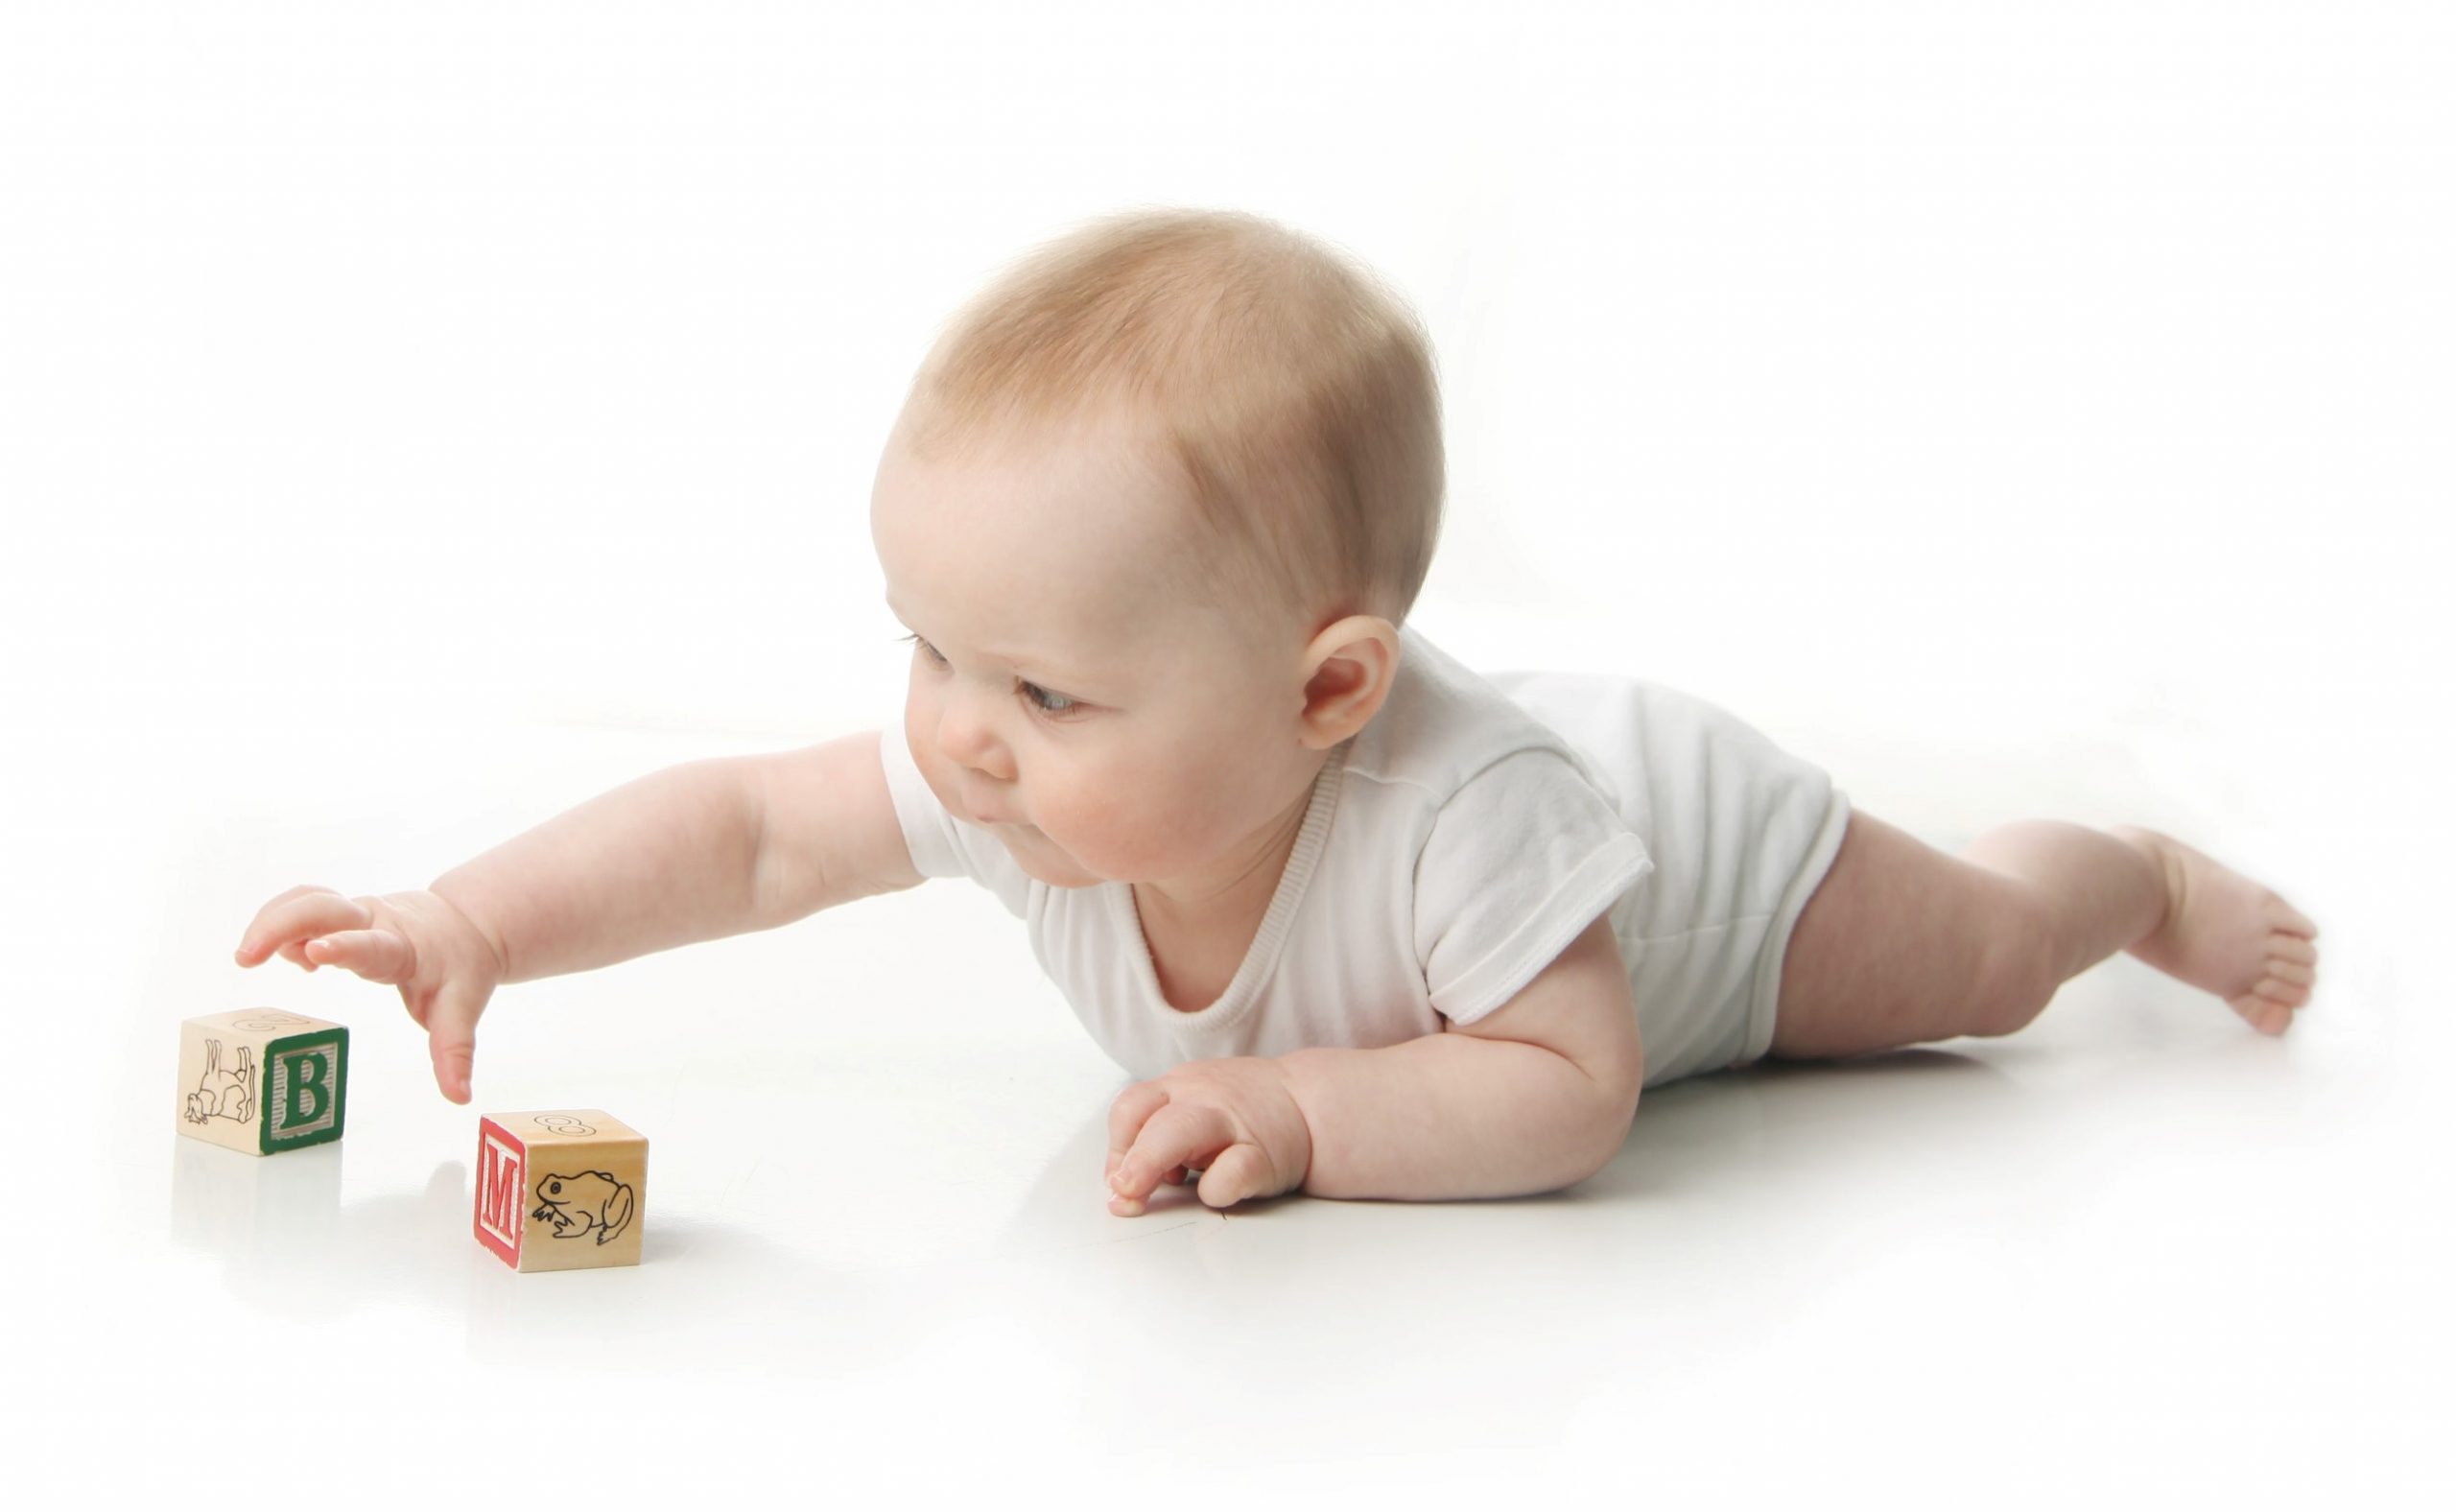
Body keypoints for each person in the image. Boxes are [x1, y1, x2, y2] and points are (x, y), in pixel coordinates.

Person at [234, 207, 2321, 1217]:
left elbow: (1565, 1077)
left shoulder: (1465, 810)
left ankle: (2119, 864)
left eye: (1040, 684)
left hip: (1710, 869)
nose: (957, 731)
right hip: (1550, 792)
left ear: (1329, 688)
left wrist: (1314, 1110)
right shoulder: (1020, 775)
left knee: (1968, 961)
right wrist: (477, 917)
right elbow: (753, 833)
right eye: (929, 645)